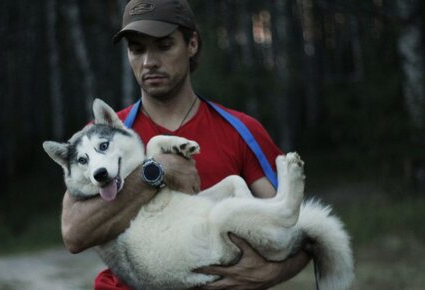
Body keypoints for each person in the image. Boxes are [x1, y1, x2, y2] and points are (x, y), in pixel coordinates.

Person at [61, 0, 311, 289]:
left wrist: (271, 273)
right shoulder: (103, 139)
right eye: (137, 49)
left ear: (192, 44)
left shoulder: (241, 131)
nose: (148, 62)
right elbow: (74, 234)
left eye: (163, 45)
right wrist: (155, 170)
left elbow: (301, 228)